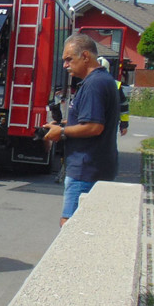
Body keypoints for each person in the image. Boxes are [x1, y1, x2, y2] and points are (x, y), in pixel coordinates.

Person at [43, 34, 120, 227]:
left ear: (85, 56)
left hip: (85, 169)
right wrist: (65, 124)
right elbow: (89, 119)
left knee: (70, 225)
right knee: (85, 226)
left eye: (69, 59)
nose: (65, 65)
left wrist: (61, 132)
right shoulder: (102, 80)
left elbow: (94, 127)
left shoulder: (94, 84)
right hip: (96, 166)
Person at [98, 57, 130, 136]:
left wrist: (124, 124)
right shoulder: (87, 83)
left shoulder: (116, 85)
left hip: (107, 123)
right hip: (100, 122)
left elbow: (123, 106)